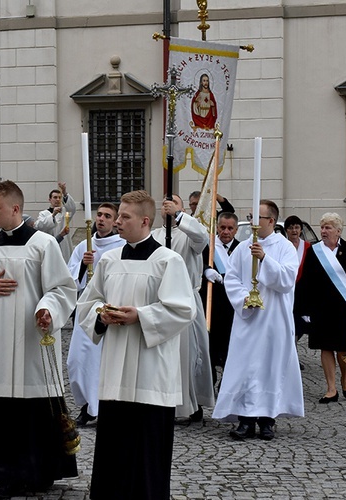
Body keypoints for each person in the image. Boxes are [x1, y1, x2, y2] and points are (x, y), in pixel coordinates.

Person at [77, 190, 195, 500]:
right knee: (114, 449)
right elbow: (88, 302)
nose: (117, 221)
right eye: (117, 216)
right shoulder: (110, 260)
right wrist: (102, 316)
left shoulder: (168, 260)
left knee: (147, 453)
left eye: (124, 217)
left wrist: (140, 316)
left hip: (151, 375)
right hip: (115, 373)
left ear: (144, 221)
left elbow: (183, 310)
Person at [0, 180, 77, 499]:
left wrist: (47, 309)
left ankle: (42, 473)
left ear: (15, 208)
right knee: (1, 411)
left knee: (37, 410)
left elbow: (62, 288)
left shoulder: (43, 244)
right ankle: (7, 475)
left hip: (33, 340)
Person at [213, 200, 304, 441]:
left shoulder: (285, 247)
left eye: (258, 218)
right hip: (249, 318)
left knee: (269, 367)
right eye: (252, 216)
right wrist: (245, 298)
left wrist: (265, 259)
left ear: (271, 222)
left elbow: (287, 279)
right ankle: (245, 419)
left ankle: (267, 420)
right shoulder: (243, 248)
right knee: (246, 366)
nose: (253, 222)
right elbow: (231, 278)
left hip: (275, 318)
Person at [152, 194, 214, 423]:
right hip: (160, 302)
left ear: (183, 209)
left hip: (185, 299)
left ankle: (192, 402)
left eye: (173, 204)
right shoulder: (155, 235)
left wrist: (178, 217)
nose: (166, 207)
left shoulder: (189, 234)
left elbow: (202, 237)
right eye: (164, 204)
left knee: (189, 354)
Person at [294, 212, 346, 404]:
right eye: (322, 227)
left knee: (342, 349)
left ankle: (344, 378)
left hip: (344, 307)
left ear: (338, 231)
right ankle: (331, 388)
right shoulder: (314, 251)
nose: (323, 231)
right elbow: (306, 281)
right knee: (325, 347)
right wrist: (304, 309)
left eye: (328, 227)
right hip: (321, 307)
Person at [66, 202, 125, 427]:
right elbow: (69, 280)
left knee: (104, 361)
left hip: (110, 309)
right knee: (78, 360)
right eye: (99, 214)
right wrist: (82, 265)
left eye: (107, 216)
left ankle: (101, 406)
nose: (101, 219)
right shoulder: (84, 246)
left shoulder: (121, 246)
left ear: (115, 220)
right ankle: (85, 404)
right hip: (87, 309)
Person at [200, 212, 239, 386]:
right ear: (217, 227)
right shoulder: (207, 247)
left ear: (236, 230)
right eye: (222, 227)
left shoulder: (242, 248)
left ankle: (227, 384)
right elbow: (194, 265)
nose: (225, 232)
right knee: (211, 350)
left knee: (231, 350)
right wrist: (205, 269)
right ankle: (210, 384)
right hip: (212, 308)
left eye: (230, 228)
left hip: (234, 309)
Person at [285, 215, 312, 370]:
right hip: (286, 290)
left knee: (299, 325)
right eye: (290, 227)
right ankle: (291, 355)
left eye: (296, 227)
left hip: (302, 292)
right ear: (286, 230)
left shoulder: (308, 247)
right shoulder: (282, 246)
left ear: (301, 229)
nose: (294, 230)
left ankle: (293, 353)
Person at [34, 182, 78, 260]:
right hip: (50, 247)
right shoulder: (43, 214)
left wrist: (64, 192)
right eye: (55, 197)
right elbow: (39, 226)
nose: (57, 199)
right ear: (50, 200)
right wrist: (53, 215)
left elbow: (72, 208)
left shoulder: (65, 211)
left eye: (59, 197)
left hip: (64, 246)